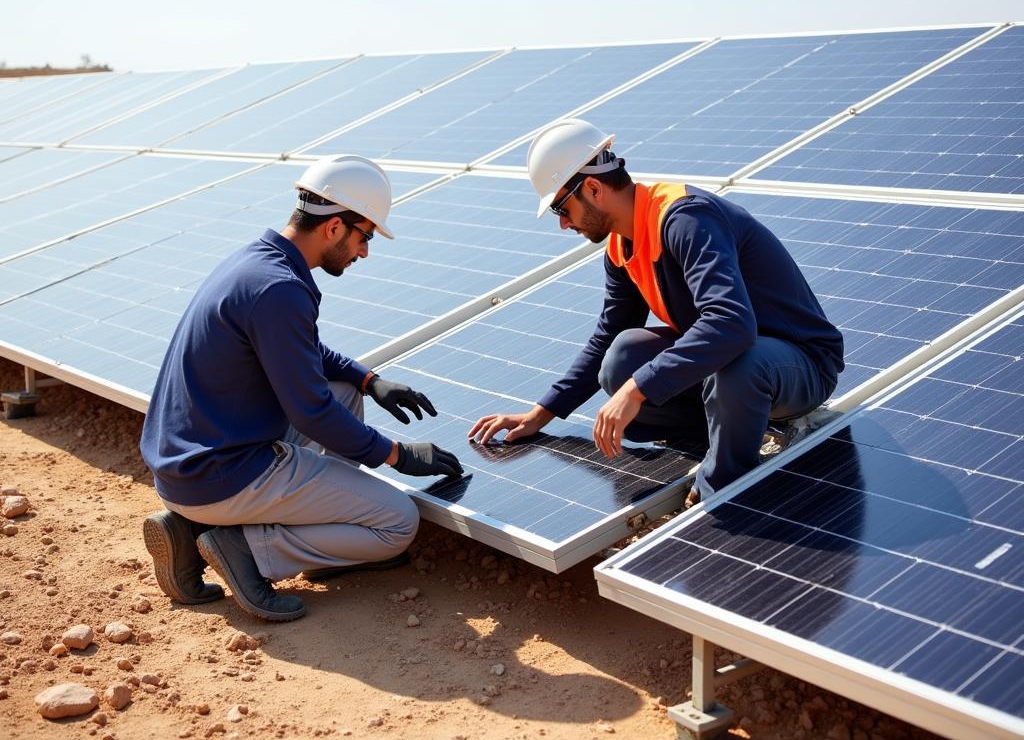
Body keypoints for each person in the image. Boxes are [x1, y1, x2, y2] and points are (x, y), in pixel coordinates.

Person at [140, 155, 463, 623]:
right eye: (364, 236)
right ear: (334, 227)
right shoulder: (280, 290)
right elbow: (312, 413)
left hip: (188, 465)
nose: (365, 251)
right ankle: (247, 548)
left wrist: (369, 381)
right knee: (397, 522)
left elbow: (303, 352)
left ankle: (193, 530)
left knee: (345, 392)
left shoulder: (257, 263)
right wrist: (398, 455)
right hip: (222, 471)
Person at [468, 119, 844, 505]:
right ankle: (728, 430)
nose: (563, 224)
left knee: (729, 364)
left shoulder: (686, 219)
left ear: (594, 188)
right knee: (621, 358)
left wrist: (638, 388)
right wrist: (540, 413)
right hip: (732, 367)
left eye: (561, 208)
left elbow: (731, 323)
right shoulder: (621, 246)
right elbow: (607, 337)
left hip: (799, 365)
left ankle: (724, 490)